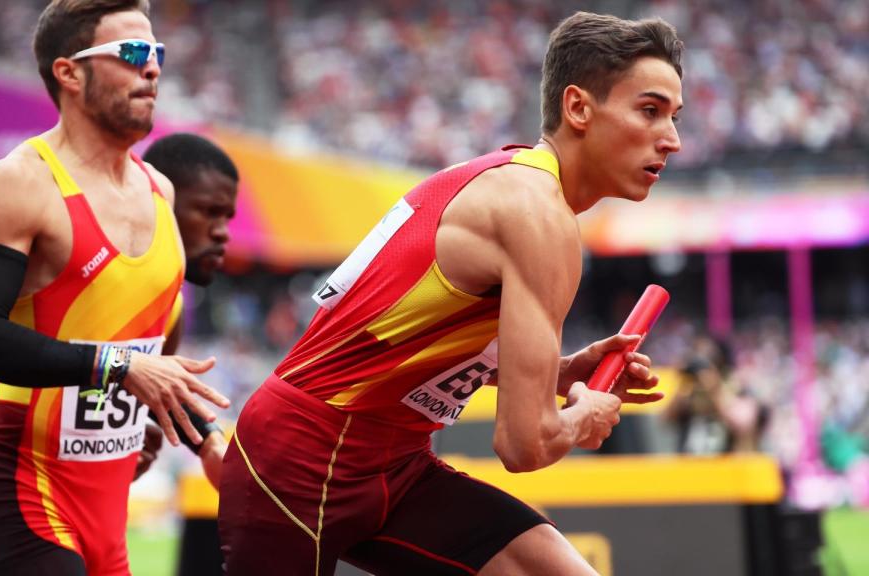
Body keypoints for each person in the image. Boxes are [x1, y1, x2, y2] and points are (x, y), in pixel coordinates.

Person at [218, 11, 681, 575]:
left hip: (393, 465)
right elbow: (525, 446)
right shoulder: (537, 215)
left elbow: (403, 335)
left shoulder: (510, 182)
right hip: (299, 461)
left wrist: (558, 374)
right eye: (650, 111)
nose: (673, 140)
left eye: (675, 117)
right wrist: (587, 415)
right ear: (579, 108)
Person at [0, 132, 239, 575]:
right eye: (209, 212)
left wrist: (193, 438)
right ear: (158, 202)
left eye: (228, 217)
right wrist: (58, 422)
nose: (222, 233)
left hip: (41, 501)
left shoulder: (168, 307)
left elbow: (131, 383)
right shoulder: (67, 257)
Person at [0, 1, 230, 574]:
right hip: (20, 490)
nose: (151, 69)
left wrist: (208, 442)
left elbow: (144, 355)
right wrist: (117, 367)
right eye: (130, 53)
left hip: (106, 514)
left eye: (157, 54)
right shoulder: (21, 183)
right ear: (69, 72)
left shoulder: (160, 191)